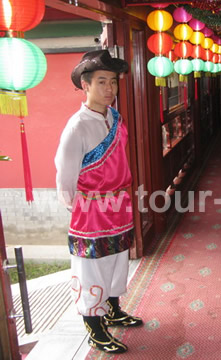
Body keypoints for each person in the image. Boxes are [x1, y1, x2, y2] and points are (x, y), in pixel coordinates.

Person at [54, 50, 143, 354]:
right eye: (102, 82)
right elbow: (65, 180)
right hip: (91, 210)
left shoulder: (114, 118)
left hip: (118, 205)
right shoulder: (77, 127)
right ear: (85, 84)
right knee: (91, 269)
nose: (110, 89)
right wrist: (83, 207)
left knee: (117, 259)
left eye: (114, 82)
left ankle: (114, 310)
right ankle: (95, 329)